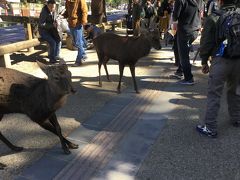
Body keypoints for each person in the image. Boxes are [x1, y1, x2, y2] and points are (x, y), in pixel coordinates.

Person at [196, 0, 240, 137]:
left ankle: (210, 127)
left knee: (214, 94)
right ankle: (237, 118)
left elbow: (206, 42)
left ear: (220, 2)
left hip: (220, 60)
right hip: (238, 60)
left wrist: (204, 61)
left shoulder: (214, 17)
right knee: (235, 91)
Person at [171, 0, 203, 85]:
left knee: (183, 55)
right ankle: (180, 71)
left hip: (185, 30)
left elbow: (175, 17)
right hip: (195, 29)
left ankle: (188, 78)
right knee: (185, 52)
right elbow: (200, 13)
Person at [63, 0, 88, 66]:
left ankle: (79, 61)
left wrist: (83, 22)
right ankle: (83, 54)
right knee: (75, 42)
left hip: (78, 23)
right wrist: (63, 15)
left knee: (78, 43)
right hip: (71, 24)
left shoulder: (80, 0)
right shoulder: (67, 1)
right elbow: (67, 11)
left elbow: (84, 11)